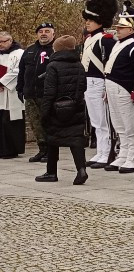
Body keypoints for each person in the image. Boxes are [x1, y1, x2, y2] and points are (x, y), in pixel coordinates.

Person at [34, 35, 88, 185]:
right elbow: (83, 86)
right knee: (76, 139)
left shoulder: (53, 66)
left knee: (52, 139)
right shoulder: (79, 65)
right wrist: (75, 102)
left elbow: (49, 92)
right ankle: (81, 169)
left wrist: (44, 112)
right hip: (75, 108)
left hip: (56, 109)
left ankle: (51, 172)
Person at [103, 7, 134, 173]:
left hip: (126, 89)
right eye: (117, 27)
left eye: (121, 28)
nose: (117, 30)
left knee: (131, 125)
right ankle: (123, 153)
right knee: (119, 124)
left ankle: (133, 157)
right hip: (113, 87)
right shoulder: (118, 44)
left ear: (131, 29)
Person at [81, 0, 119, 167]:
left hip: (100, 82)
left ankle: (107, 153)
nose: (87, 23)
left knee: (104, 120)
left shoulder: (106, 40)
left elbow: (109, 66)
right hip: (88, 82)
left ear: (99, 21)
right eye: (87, 20)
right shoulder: (89, 39)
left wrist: (106, 86)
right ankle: (100, 151)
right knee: (96, 120)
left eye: (91, 20)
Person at [16, 22, 55, 161]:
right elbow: (22, 72)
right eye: (40, 31)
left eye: (47, 31)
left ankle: (51, 152)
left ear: (53, 33)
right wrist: (20, 89)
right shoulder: (30, 50)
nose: (43, 33)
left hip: (48, 95)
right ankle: (42, 149)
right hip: (31, 94)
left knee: (48, 124)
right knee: (35, 124)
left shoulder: (56, 50)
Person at [0, 31, 26, 160]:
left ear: (11, 41)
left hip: (12, 93)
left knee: (10, 121)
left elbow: (18, 71)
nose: (1, 44)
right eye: (0, 41)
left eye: (4, 41)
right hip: (0, 94)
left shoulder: (19, 53)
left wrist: (2, 82)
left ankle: (12, 149)